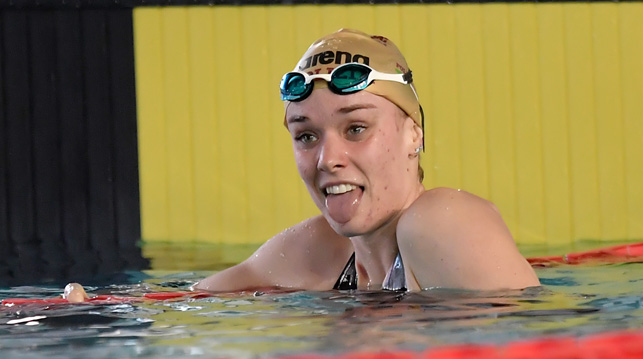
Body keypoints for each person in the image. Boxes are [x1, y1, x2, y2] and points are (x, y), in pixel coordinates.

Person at [64, 28, 538, 302]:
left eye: (356, 129)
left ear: (414, 134)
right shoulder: (319, 252)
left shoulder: (441, 223)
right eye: (306, 136)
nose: (327, 159)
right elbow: (181, 301)